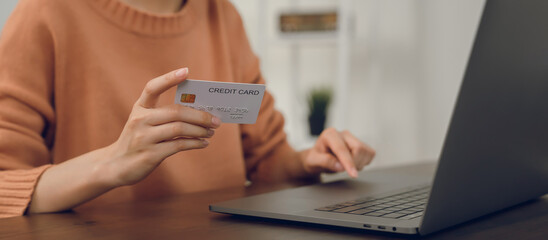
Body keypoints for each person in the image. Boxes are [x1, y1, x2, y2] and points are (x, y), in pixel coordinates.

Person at [0, 0, 375, 218]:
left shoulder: (222, 15)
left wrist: (308, 161)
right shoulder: (45, 14)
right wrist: (111, 163)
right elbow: (5, 188)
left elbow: (265, 159)